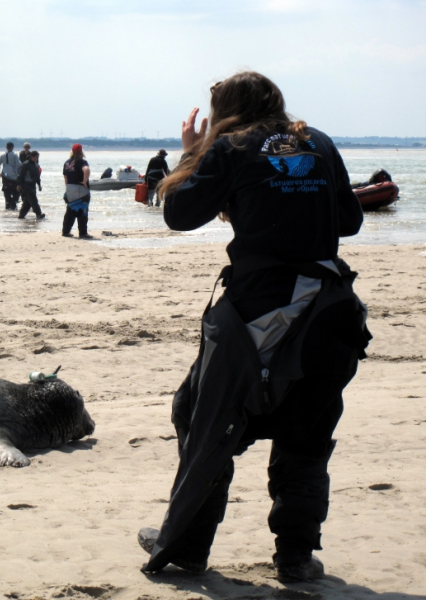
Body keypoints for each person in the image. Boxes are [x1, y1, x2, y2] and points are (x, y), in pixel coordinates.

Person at [138, 72, 370, 583]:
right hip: (328, 314)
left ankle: (189, 548)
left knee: (198, 414)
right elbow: (349, 222)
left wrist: (193, 154)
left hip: (258, 314)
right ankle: (296, 557)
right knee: (307, 432)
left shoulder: (232, 147)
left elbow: (178, 214)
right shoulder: (320, 142)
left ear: (225, 111)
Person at [62, 143, 93, 239]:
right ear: (81, 152)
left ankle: (66, 231)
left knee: (70, 210)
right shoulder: (82, 162)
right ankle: (83, 233)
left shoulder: (67, 163)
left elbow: (65, 176)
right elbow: (86, 170)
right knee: (82, 210)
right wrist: (84, 181)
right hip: (80, 189)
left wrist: (67, 187)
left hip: (70, 188)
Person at [16, 150, 45, 220]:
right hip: (26, 185)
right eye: (36, 157)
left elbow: (37, 177)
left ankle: (21, 216)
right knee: (33, 200)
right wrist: (19, 185)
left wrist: (39, 185)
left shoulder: (36, 165)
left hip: (33, 185)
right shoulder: (26, 164)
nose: (37, 159)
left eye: (38, 157)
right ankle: (39, 214)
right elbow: (21, 175)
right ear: (32, 157)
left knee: (27, 203)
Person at [0, 142, 21, 210]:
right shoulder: (15, 154)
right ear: (12, 147)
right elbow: (19, 164)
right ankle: (14, 203)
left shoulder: (2, 155)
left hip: (5, 175)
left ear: (6, 147)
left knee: (6, 191)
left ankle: (7, 204)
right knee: (17, 191)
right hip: (14, 176)